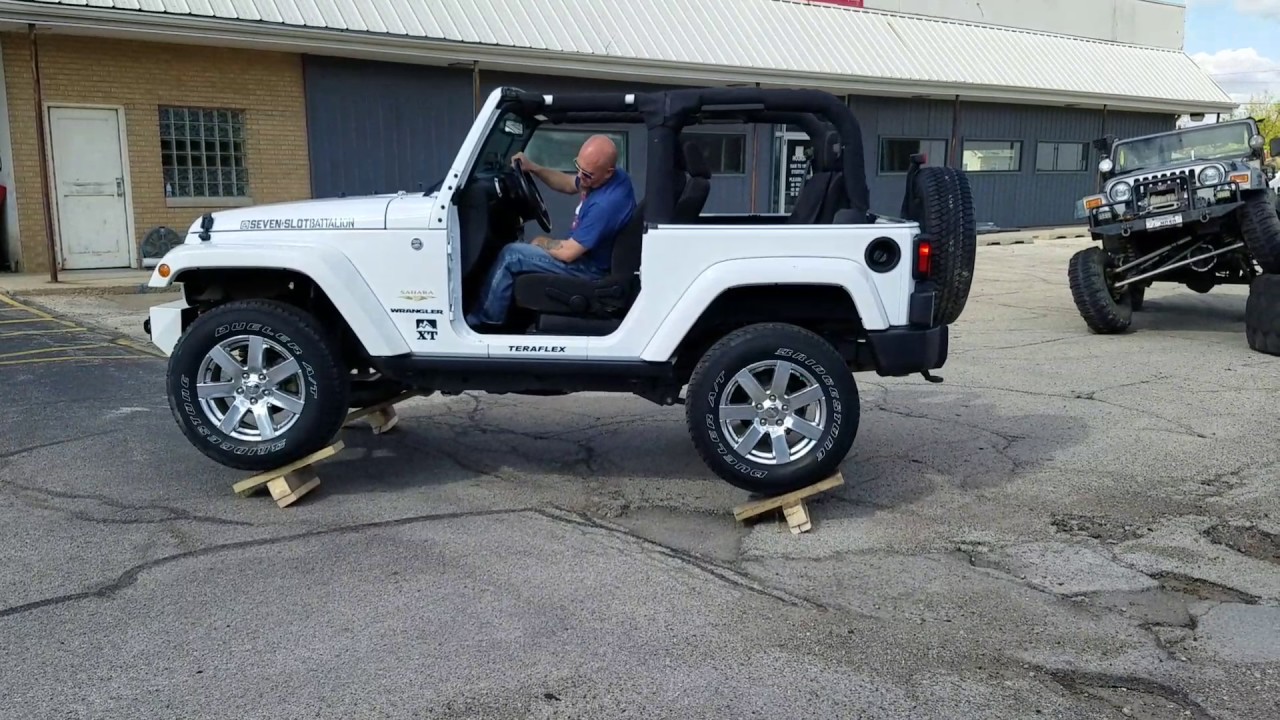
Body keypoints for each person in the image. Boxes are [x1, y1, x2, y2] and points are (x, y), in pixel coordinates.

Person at [465, 134, 637, 329]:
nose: (581, 176)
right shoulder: (609, 177)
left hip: (591, 269)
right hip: (586, 256)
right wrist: (534, 168)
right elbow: (568, 184)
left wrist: (542, 242)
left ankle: (484, 324)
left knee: (512, 255)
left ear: (608, 172)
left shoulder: (605, 206)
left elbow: (569, 252)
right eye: (578, 167)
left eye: (587, 174)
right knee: (520, 251)